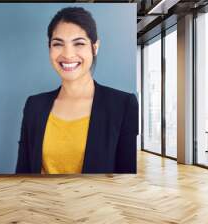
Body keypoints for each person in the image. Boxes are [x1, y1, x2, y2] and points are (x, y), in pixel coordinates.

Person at [15, 7, 138, 174]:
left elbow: (127, 179)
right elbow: (22, 174)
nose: (68, 54)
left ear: (95, 47)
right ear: (49, 48)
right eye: (58, 44)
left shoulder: (123, 105)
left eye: (79, 43)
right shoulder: (34, 105)